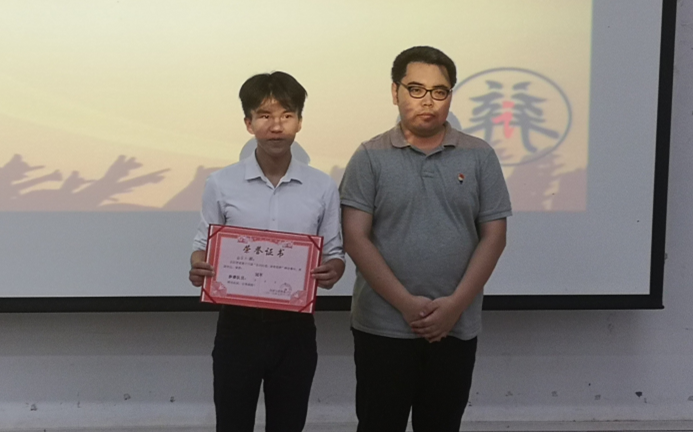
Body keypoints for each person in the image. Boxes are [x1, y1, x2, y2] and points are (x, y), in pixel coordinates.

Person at [340, 46, 512, 432]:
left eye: (439, 91)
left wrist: (454, 307)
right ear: (395, 92)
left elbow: (494, 237)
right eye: (416, 89)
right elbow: (355, 237)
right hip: (382, 326)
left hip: (455, 324)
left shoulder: (480, 155)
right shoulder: (369, 156)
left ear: (450, 95)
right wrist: (406, 305)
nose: (428, 101)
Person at [189, 71, 345, 432]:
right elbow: (202, 245)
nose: (276, 126)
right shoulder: (221, 183)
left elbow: (335, 253)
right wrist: (199, 265)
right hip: (238, 327)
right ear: (249, 123)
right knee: (232, 424)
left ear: (300, 122)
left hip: (295, 330)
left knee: (288, 424)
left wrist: (334, 269)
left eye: (287, 115)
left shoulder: (322, 186)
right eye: (264, 115)